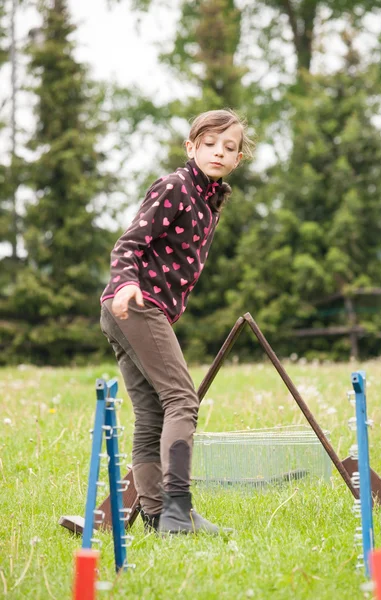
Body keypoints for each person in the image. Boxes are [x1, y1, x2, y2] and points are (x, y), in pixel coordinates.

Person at [100, 109, 253, 534]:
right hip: (134, 304)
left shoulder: (209, 199)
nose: (218, 153)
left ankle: (154, 514)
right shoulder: (175, 187)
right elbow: (128, 244)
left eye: (229, 147)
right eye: (209, 144)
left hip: (134, 310)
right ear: (191, 147)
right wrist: (128, 284)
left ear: (239, 158)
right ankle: (177, 509)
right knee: (183, 400)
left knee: (151, 414)